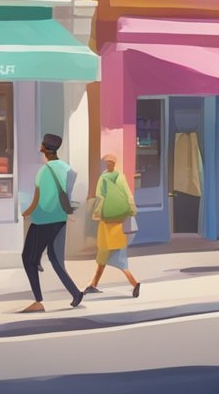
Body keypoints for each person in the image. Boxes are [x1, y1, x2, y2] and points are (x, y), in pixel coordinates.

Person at [19, 134, 83, 313]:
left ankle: (38, 301)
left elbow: (37, 199)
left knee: (27, 258)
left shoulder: (43, 171)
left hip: (43, 221)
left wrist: (26, 212)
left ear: (44, 151)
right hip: (60, 219)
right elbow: (67, 194)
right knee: (55, 259)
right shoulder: (68, 169)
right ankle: (76, 293)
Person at [84, 155, 141, 298]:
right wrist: (132, 209)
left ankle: (134, 283)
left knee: (104, 255)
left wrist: (96, 214)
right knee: (115, 259)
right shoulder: (121, 177)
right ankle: (94, 284)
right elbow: (127, 194)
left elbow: (100, 197)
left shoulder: (103, 178)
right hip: (117, 224)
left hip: (106, 224)